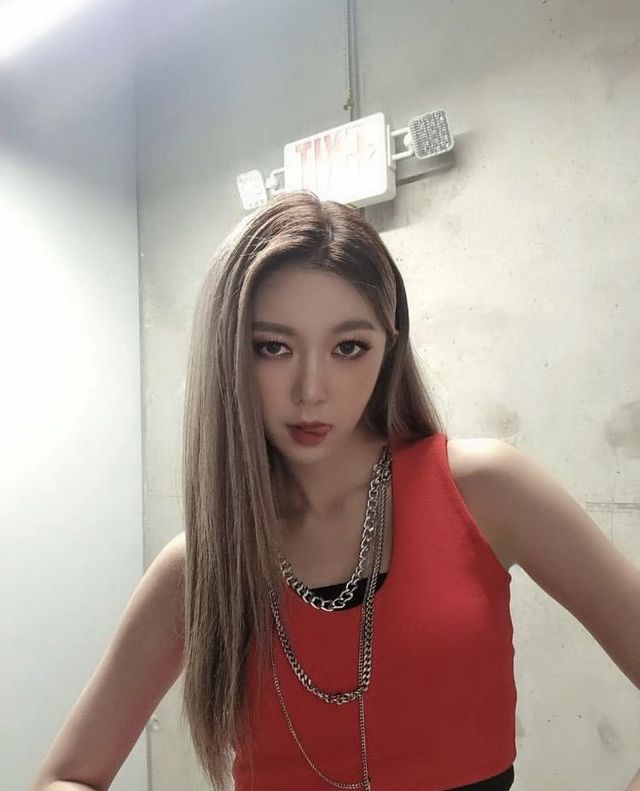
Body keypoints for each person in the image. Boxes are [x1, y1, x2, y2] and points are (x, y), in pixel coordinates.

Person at [33, 191, 640, 791]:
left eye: (349, 347)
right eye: (273, 347)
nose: (311, 390)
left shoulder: (486, 491)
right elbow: (65, 777)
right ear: (229, 355)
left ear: (388, 349)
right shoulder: (201, 565)